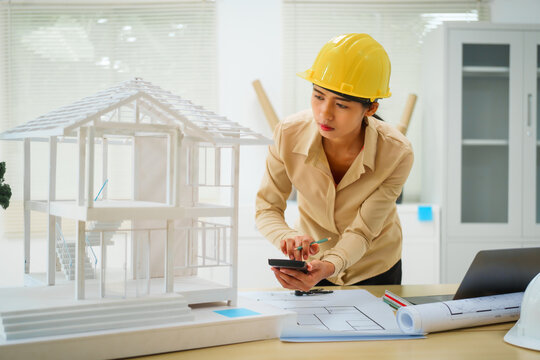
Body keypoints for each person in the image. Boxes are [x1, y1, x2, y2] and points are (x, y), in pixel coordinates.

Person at [255, 33, 414, 292]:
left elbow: (362, 232)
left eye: (341, 104)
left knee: (379, 331)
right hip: (312, 263)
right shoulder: (288, 134)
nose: (324, 113)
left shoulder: (397, 153)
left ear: (370, 109)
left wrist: (329, 266)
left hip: (374, 266)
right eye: (318, 96)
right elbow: (267, 208)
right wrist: (288, 238)